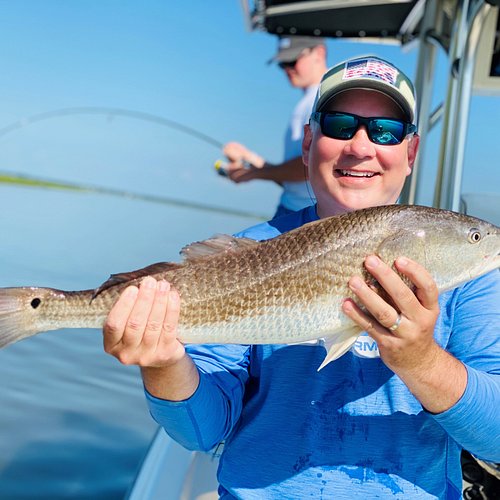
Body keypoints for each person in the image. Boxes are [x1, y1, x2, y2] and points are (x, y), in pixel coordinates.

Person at [103, 56, 500, 498]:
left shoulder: (475, 275)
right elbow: (201, 432)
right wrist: (163, 365)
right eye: (340, 124)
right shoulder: (248, 253)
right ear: (309, 142)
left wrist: (421, 361)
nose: (361, 146)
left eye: (385, 131)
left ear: (410, 153)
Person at [222, 35, 327, 218]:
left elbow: (313, 166)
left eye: (293, 61)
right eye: (282, 64)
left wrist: (256, 174)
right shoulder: (306, 100)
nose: (287, 69)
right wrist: (251, 159)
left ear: (319, 53)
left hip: (304, 218)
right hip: (291, 211)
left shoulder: (322, 97)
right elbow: (297, 179)